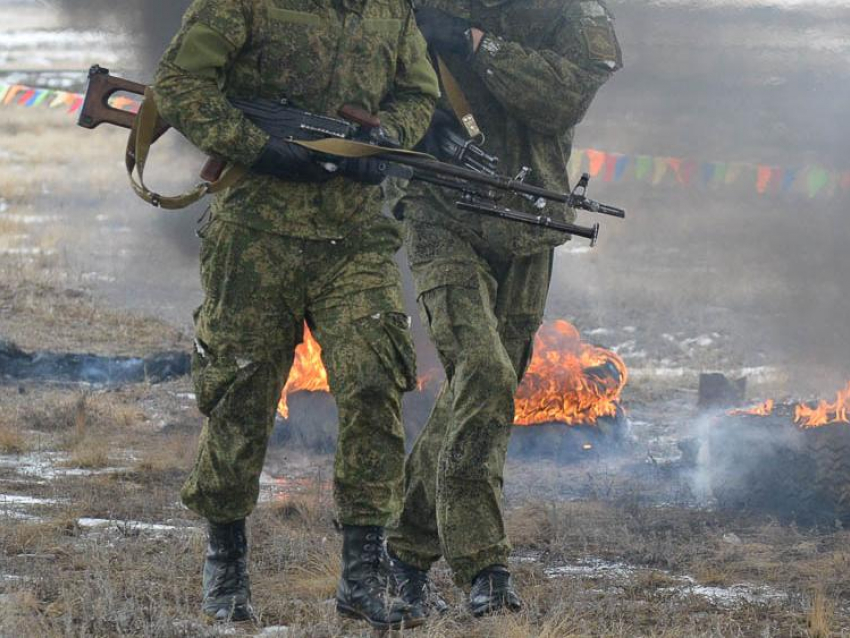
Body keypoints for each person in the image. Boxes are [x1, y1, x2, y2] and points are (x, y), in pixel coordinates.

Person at [152, 0, 439, 629]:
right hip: (256, 233)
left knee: (373, 382)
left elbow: (419, 92)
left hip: (356, 238)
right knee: (242, 393)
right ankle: (225, 563)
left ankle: (363, 575)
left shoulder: (391, 9)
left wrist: (383, 139)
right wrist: (256, 147)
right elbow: (178, 83)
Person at [386, 0, 622, 620]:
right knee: (485, 375)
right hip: (442, 211)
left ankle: (405, 554)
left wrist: (475, 42)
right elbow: (372, 81)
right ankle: (484, 566)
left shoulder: (574, 12)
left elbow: (562, 96)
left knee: (484, 390)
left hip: (529, 219)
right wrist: (419, 120)